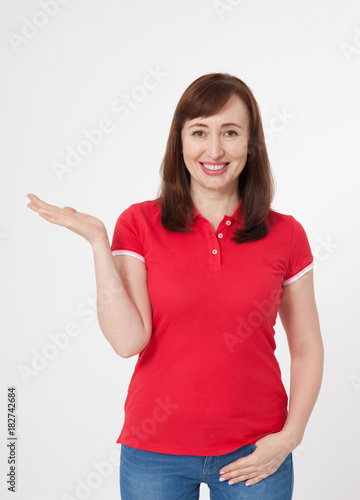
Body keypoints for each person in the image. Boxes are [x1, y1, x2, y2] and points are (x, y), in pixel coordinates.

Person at [26, 72, 324, 500]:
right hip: (154, 452)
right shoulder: (139, 224)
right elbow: (129, 340)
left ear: (251, 143)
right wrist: (97, 241)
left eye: (231, 132)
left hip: (257, 452)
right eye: (200, 132)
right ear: (180, 141)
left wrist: (289, 437)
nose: (215, 150)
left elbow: (307, 346)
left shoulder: (286, 234)